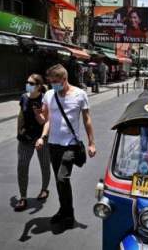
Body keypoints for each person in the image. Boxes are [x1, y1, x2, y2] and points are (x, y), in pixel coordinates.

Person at [35, 64, 96, 228]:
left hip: (70, 145)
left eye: (55, 81)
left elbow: (87, 119)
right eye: (51, 81)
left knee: (62, 178)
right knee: (59, 180)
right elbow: (45, 119)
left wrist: (91, 143)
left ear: (64, 79)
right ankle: (64, 210)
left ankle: (68, 213)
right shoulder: (49, 94)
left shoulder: (80, 94)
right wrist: (42, 135)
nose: (53, 84)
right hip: (53, 144)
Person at [14, 74, 51, 211]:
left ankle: (44, 189)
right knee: (22, 166)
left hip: (42, 137)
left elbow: (45, 121)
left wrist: (37, 113)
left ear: (39, 86)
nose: (27, 84)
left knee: (44, 164)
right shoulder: (24, 97)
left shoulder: (45, 99)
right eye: (27, 82)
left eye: (31, 83)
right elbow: (21, 115)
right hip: (26, 138)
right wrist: (18, 131)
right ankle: (23, 197)